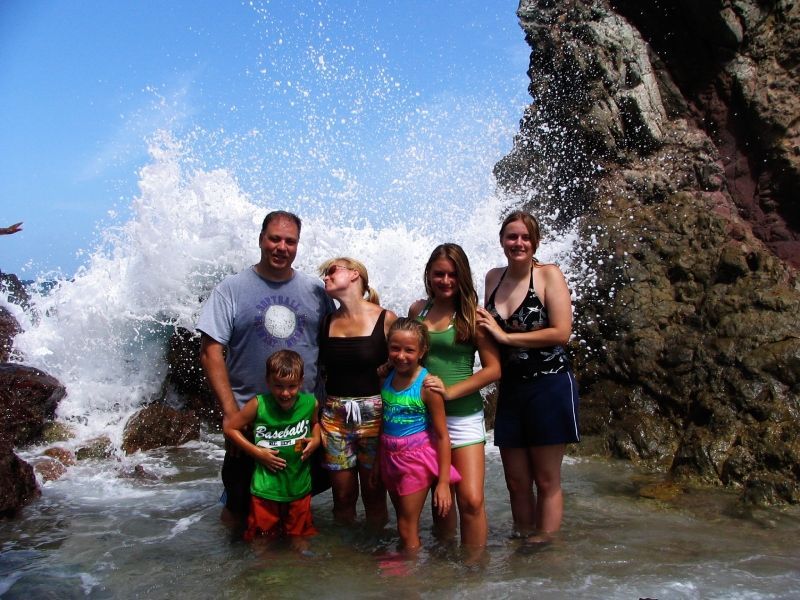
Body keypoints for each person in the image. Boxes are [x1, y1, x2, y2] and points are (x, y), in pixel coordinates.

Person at [197, 210, 334, 525]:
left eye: (290, 241)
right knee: (239, 507)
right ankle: (237, 570)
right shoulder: (231, 289)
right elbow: (210, 352)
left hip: (301, 422)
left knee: (296, 504)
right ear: (261, 239)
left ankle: (288, 569)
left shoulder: (315, 290)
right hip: (251, 424)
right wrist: (231, 413)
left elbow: (335, 340)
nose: (281, 247)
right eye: (274, 238)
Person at [477, 210, 579, 544]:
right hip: (512, 389)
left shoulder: (549, 275)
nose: (518, 243)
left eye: (525, 237)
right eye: (512, 237)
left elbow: (561, 332)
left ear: (535, 241)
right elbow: (484, 331)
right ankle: (523, 539)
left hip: (550, 384)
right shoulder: (493, 278)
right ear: (502, 240)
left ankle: (545, 547)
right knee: (517, 481)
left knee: (546, 479)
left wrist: (508, 339)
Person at [408, 243, 500, 549]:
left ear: (462, 277)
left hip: (465, 418)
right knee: (441, 503)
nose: (445, 281)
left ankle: (475, 573)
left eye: (452, 275)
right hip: (424, 420)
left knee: (471, 500)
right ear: (429, 275)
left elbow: (493, 369)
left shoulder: (473, 316)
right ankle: (445, 571)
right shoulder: (417, 311)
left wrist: (450, 391)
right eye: (439, 274)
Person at [318, 257, 397, 528]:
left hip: (375, 417)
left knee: (375, 494)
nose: (325, 278)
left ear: (354, 275)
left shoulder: (386, 319)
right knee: (342, 496)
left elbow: (406, 364)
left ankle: (375, 558)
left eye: (330, 272)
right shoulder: (326, 320)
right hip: (334, 417)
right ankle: (346, 560)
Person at [223, 350, 320, 551]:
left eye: (292, 387)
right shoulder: (259, 404)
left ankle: (301, 576)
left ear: (301, 382)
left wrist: (317, 439)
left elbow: (315, 423)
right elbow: (230, 428)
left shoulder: (310, 403)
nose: (285, 393)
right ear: (268, 381)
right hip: (265, 490)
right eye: (279, 386)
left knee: (299, 540)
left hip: (299, 488)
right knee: (262, 540)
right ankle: (264, 578)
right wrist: (257, 453)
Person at [378, 318, 461, 552]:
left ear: (422, 351)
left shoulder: (427, 386)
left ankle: (409, 580)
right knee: (402, 521)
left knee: (406, 526)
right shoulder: (386, 378)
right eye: (395, 348)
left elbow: (443, 436)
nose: (401, 355)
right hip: (389, 457)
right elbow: (383, 424)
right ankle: (410, 565)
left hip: (414, 460)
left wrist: (443, 482)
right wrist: (377, 465)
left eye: (409, 350)